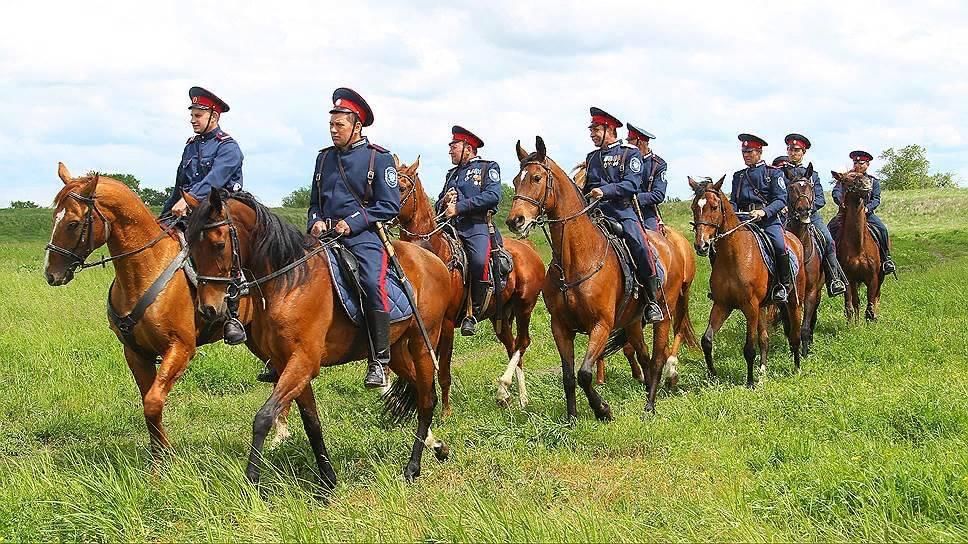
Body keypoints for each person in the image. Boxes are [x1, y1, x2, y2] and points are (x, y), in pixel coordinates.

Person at [300, 87, 400, 388]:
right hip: (322, 236)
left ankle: (380, 360)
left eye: (339, 125)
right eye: (331, 124)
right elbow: (314, 202)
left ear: (356, 125)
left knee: (371, 281)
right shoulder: (323, 159)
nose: (333, 130)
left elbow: (389, 205)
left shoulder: (378, 159)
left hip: (362, 236)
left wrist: (351, 223)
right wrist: (315, 220)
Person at [583, 107, 662, 322]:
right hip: (596, 213)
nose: (592, 134)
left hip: (621, 212)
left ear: (610, 129)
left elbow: (632, 184)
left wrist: (605, 191)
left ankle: (652, 299)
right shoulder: (591, 158)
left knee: (640, 245)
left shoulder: (630, 154)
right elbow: (587, 187)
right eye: (591, 130)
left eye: (596, 129)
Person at [437, 126, 503, 336]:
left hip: (476, 225)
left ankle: (473, 311)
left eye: (453, 146)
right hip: (450, 227)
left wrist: (459, 207)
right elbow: (439, 204)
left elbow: (493, 196)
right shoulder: (451, 174)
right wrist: (444, 201)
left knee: (478, 261)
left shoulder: (487, 167)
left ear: (468, 146)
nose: (450, 151)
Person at [161, 86, 243, 218]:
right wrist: (162, 218)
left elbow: (214, 180)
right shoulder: (190, 146)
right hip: (188, 210)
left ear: (214, 116)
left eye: (198, 116)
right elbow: (178, 188)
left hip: (217, 215)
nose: (192, 120)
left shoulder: (228, 147)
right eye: (192, 115)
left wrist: (189, 199)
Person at [782, 133, 847, 296]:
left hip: (811, 216)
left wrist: (809, 208)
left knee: (829, 241)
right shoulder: (780, 173)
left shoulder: (814, 175)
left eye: (797, 150)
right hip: (787, 217)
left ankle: (834, 279)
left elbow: (820, 199)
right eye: (790, 149)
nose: (793, 153)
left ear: (803, 152)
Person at [731, 134, 791, 303]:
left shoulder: (773, 173)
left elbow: (781, 199)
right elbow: (734, 201)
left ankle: (782, 285)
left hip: (767, 220)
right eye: (744, 152)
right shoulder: (739, 176)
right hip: (743, 220)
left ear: (759, 152)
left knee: (780, 245)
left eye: (749, 152)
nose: (746, 155)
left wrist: (764, 212)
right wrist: (732, 213)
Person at [829, 150, 896, 274]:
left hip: (867, 216)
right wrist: (840, 202)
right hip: (845, 215)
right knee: (830, 229)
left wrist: (867, 208)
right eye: (855, 163)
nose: (857, 166)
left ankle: (886, 259)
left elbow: (876, 199)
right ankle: (831, 262)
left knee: (882, 229)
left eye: (861, 163)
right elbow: (836, 192)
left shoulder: (873, 181)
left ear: (867, 165)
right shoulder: (845, 178)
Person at [626, 123, 667, 232]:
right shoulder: (625, 159)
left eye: (630, 141)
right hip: (624, 209)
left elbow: (658, 195)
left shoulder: (657, 165)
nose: (628, 144)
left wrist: (635, 199)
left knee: (652, 241)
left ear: (640, 142)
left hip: (646, 212)